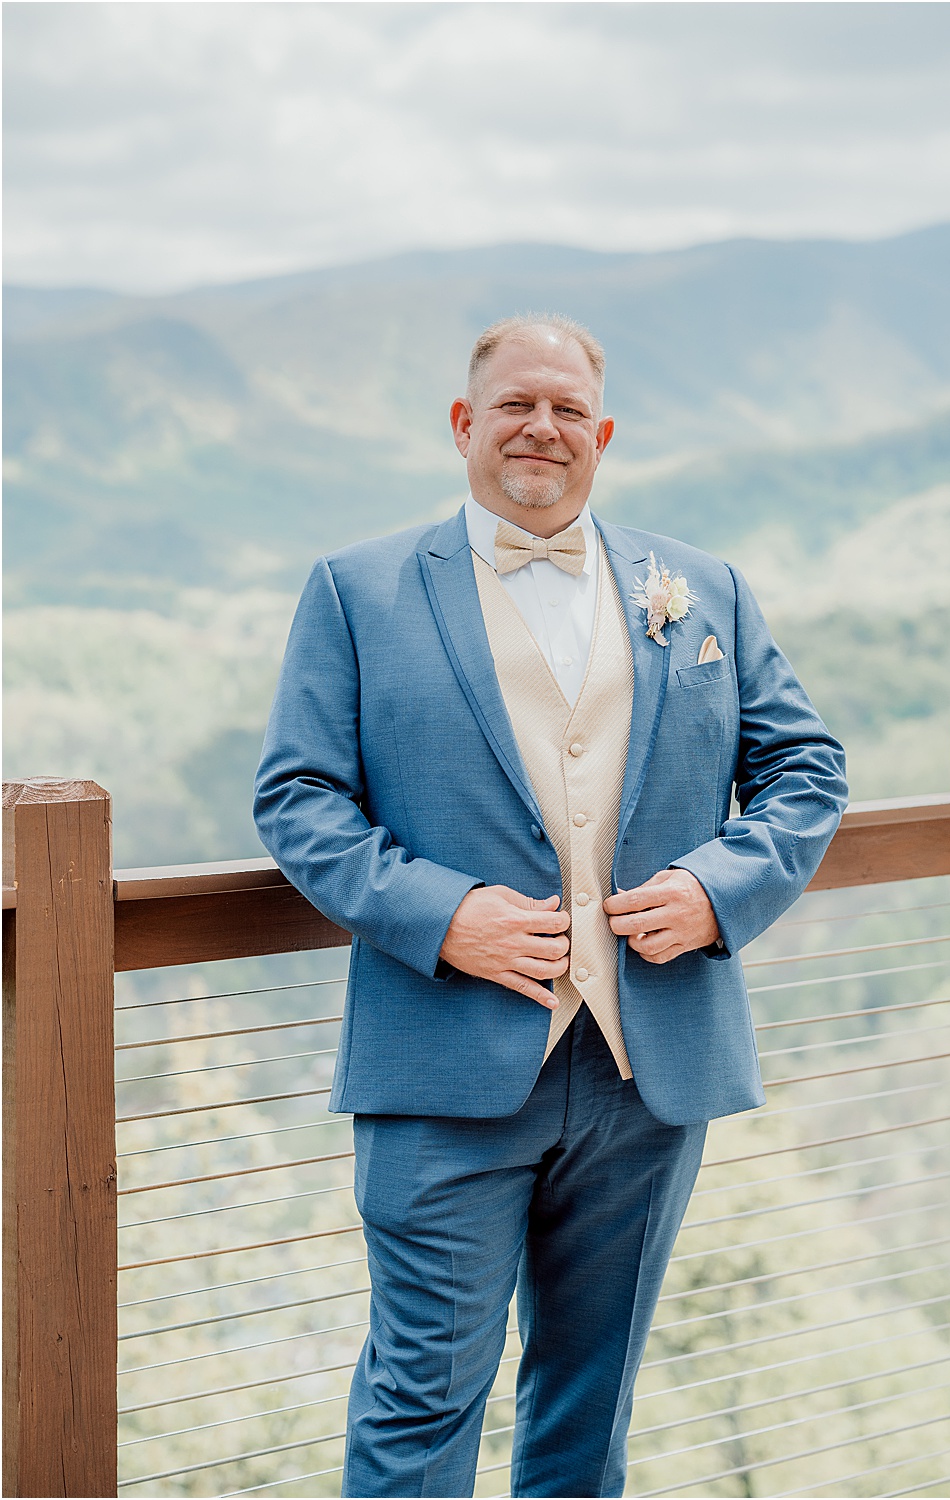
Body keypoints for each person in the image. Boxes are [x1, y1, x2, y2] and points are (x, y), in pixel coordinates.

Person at [254, 314, 847, 1497]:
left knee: (589, 1399)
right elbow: (298, 797)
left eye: (568, 409)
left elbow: (807, 770)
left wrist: (713, 888)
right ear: (465, 424)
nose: (542, 427)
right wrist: (444, 915)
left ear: (603, 434)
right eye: (516, 404)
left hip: (645, 1067)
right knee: (423, 1397)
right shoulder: (356, 590)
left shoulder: (702, 589)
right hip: (442, 1064)